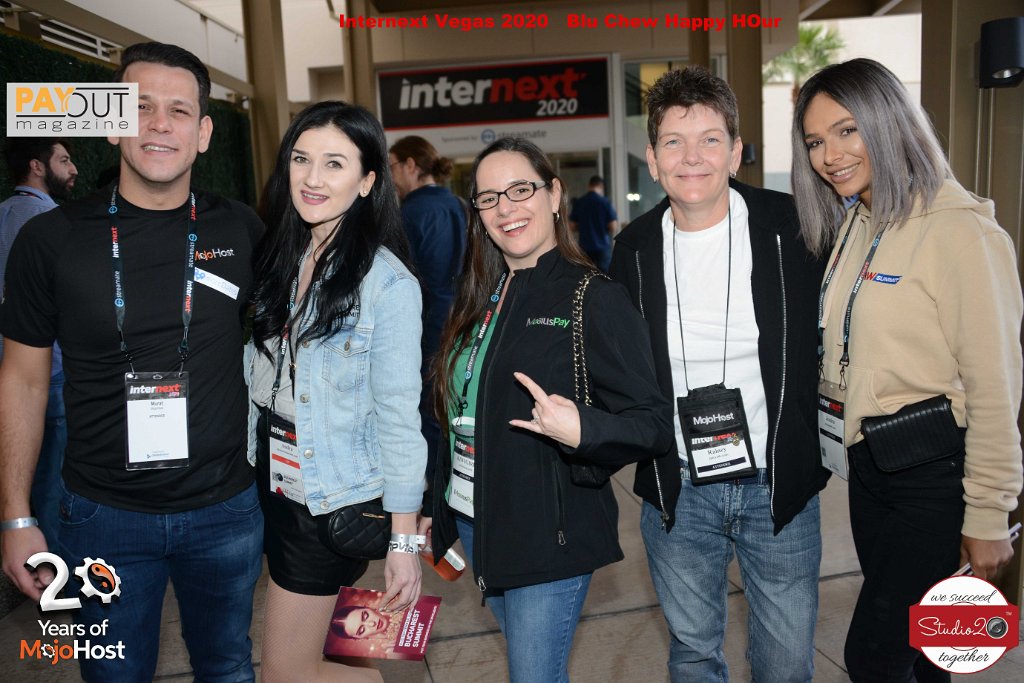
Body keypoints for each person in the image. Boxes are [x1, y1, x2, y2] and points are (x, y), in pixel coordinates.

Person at [0, 42, 264, 682]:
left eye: (179, 110)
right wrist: (15, 515)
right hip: (101, 517)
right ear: (112, 122)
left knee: (229, 669)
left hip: (225, 510)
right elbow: (23, 381)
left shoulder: (242, 230)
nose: (159, 124)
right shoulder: (49, 239)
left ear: (204, 134)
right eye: (140, 107)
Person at [793, 58, 1023, 682]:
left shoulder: (962, 232)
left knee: (875, 655)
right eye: (815, 141)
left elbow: (997, 389)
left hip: (935, 477)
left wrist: (989, 513)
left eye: (847, 130)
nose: (830, 155)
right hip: (872, 469)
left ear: (889, 121)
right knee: (927, 655)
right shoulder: (859, 222)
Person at [608, 66, 829, 682]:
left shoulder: (794, 228)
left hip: (777, 483)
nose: (692, 157)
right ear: (653, 160)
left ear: (735, 153)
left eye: (710, 140)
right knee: (693, 654)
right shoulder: (633, 249)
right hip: (679, 487)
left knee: (786, 663)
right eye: (674, 142)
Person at [425, 136, 673, 683]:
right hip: (476, 520)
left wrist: (584, 429)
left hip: (546, 533)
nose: (505, 208)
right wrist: (432, 506)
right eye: (489, 198)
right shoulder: (479, 295)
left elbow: (653, 422)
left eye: (521, 190)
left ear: (555, 195)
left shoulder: (593, 297)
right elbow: (456, 414)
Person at [248, 100, 426, 683]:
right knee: (328, 654)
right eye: (301, 159)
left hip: (329, 500)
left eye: (334, 163)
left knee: (285, 673)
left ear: (368, 181)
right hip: (275, 483)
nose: (312, 178)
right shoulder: (286, 254)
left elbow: (400, 419)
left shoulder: (387, 284)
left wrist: (404, 544)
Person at [0, 138, 76, 549]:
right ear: (37, 166)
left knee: (30, 475)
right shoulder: (46, 221)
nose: (73, 169)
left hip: (13, 367)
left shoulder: (5, 212)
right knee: (54, 482)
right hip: (51, 369)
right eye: (64, 160)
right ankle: (56, 567)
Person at [388, 135, 467, 487]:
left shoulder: (410, 213)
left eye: (392, 166)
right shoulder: (459, 205)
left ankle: (433, 494)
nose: (390, 177)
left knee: (427, 414)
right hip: (463, 324)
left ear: (410, 165)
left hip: (426, 329)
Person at [569, 175, 618, 272]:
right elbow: (613, 227)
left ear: (589, 186)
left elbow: (572, 226)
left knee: (586, 275)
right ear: (601, 187)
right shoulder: (605, 202)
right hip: (602, 246)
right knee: (604, 276)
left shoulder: (580, 202)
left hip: (584, 247)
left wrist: (583, 226)